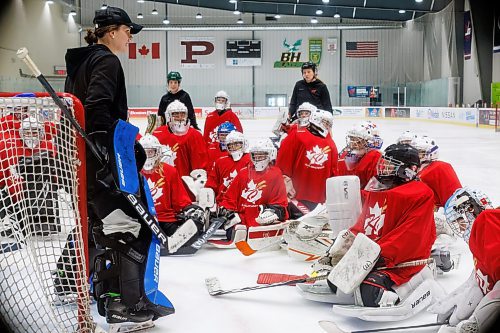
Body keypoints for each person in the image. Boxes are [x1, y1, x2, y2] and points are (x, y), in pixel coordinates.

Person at [63, 6, 173, 329]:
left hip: (84, 167)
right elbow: (97, 111)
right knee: (131, 229)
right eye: (127, 31)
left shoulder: (80, 63)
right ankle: (127, 305)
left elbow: (85, 114)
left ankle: (108, 295)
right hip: (101, 168)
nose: (129, 37)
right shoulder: (107, 61)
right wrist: (111, 159)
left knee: (106, 230)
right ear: (111, 31)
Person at [299, 144, 437, 317]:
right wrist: (346, 243)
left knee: (369, 293)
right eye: (383, 164)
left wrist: (375, 255)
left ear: (410, 170)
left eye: (390, 166)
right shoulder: (379, 188)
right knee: (335, 281)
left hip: (397, 261)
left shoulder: (420, 193)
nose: (383, 169)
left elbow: (409, 236)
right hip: (372, 255)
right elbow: (364, 224)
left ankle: (398, 294)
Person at [428, 188, 499, 333]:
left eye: (461, 220)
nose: (462, 227)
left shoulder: (488, 222)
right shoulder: (484, 235)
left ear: (473, 210)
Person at [139, 134, 205, 254]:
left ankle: (167, 241)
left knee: (196, 222)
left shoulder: (169, 171)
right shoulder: (132, 172)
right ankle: (166, 242)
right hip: (141, 220)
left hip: (165, 221)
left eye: (151, 152)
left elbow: (180, 201)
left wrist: (190, 210)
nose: (148, 156)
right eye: (145, 152)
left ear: (157, 152)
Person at [276, 109, 338, 217]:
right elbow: (283, 162)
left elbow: (333, 171)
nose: (327, 126)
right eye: (325, 123)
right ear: (315, 120)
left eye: (329, 124)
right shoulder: (297, 136)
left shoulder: (330, 143)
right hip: (297, 196)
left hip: (319, 199)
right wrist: (284, 181)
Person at [219, 138, 288, 229]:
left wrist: (273, 211)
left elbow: (280, 202)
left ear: (270, 154)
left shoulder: (275, 174)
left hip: (263, 223)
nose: (258, 159)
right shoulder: (243, 173)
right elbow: (230, 198)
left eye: (262, 155)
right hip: (241, 222)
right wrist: (226, 210)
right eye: (256, 156)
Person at [152, 100, 209, 199]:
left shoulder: (195, 135)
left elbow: (200, 165)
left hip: (185, 185)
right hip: (162, 184)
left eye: (182, 114)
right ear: (168, 116)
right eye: (175, 114)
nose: (179, 117)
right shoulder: (158, 134)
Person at [205, 131, 251, 204]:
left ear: (244, 144)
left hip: (244, 202)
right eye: (230, 145)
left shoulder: (251, 160)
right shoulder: (220, 162)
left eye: (237, 144)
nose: (233, 147)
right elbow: (211, 184)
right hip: (222, 203)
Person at [337, 121, 383, 190]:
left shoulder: (375, 158)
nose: (352, 143)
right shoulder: (346, 154)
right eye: (351, 139)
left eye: (357, 140)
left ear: (369, 141)